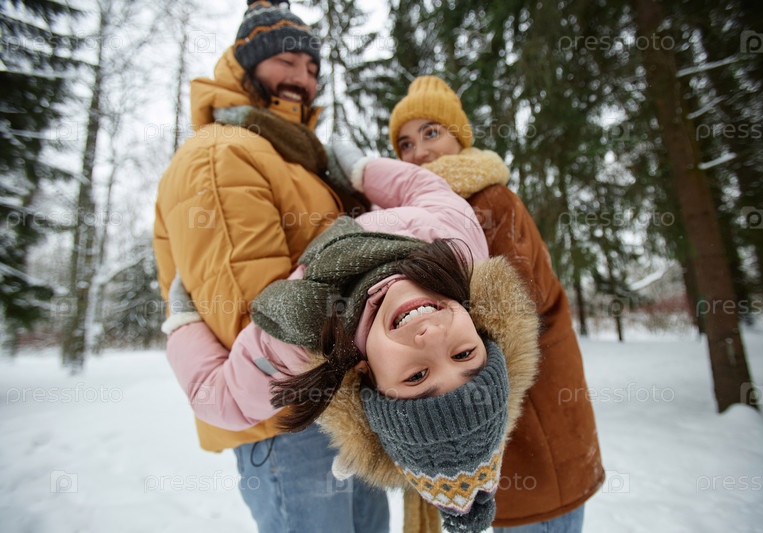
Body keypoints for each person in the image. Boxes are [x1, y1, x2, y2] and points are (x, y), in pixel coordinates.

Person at [162, 154, 542, 532]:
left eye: (417, 376)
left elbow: (221, 399)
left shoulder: (303, 343)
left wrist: (181, 320)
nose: (431, 338)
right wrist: (363, 170)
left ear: (366, 372)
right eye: (463, 354)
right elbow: (426, 188)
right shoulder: (457, 242)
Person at [152, 1, 384, 532]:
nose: (302, 78)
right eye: (286, 60)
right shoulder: (221, 154)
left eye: (311, 67)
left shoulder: (293, 158)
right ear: (245, 65)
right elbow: (256, 325)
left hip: (343, 408)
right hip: (288, 422)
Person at [386, 76, 605, 531]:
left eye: (431, 133)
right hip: (485, 426)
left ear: (458, 137)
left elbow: (513, 305)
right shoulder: (419, 217)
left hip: (536, 426)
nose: (419, 152)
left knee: (537, 517)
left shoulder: (489, 199)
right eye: (405, 144)